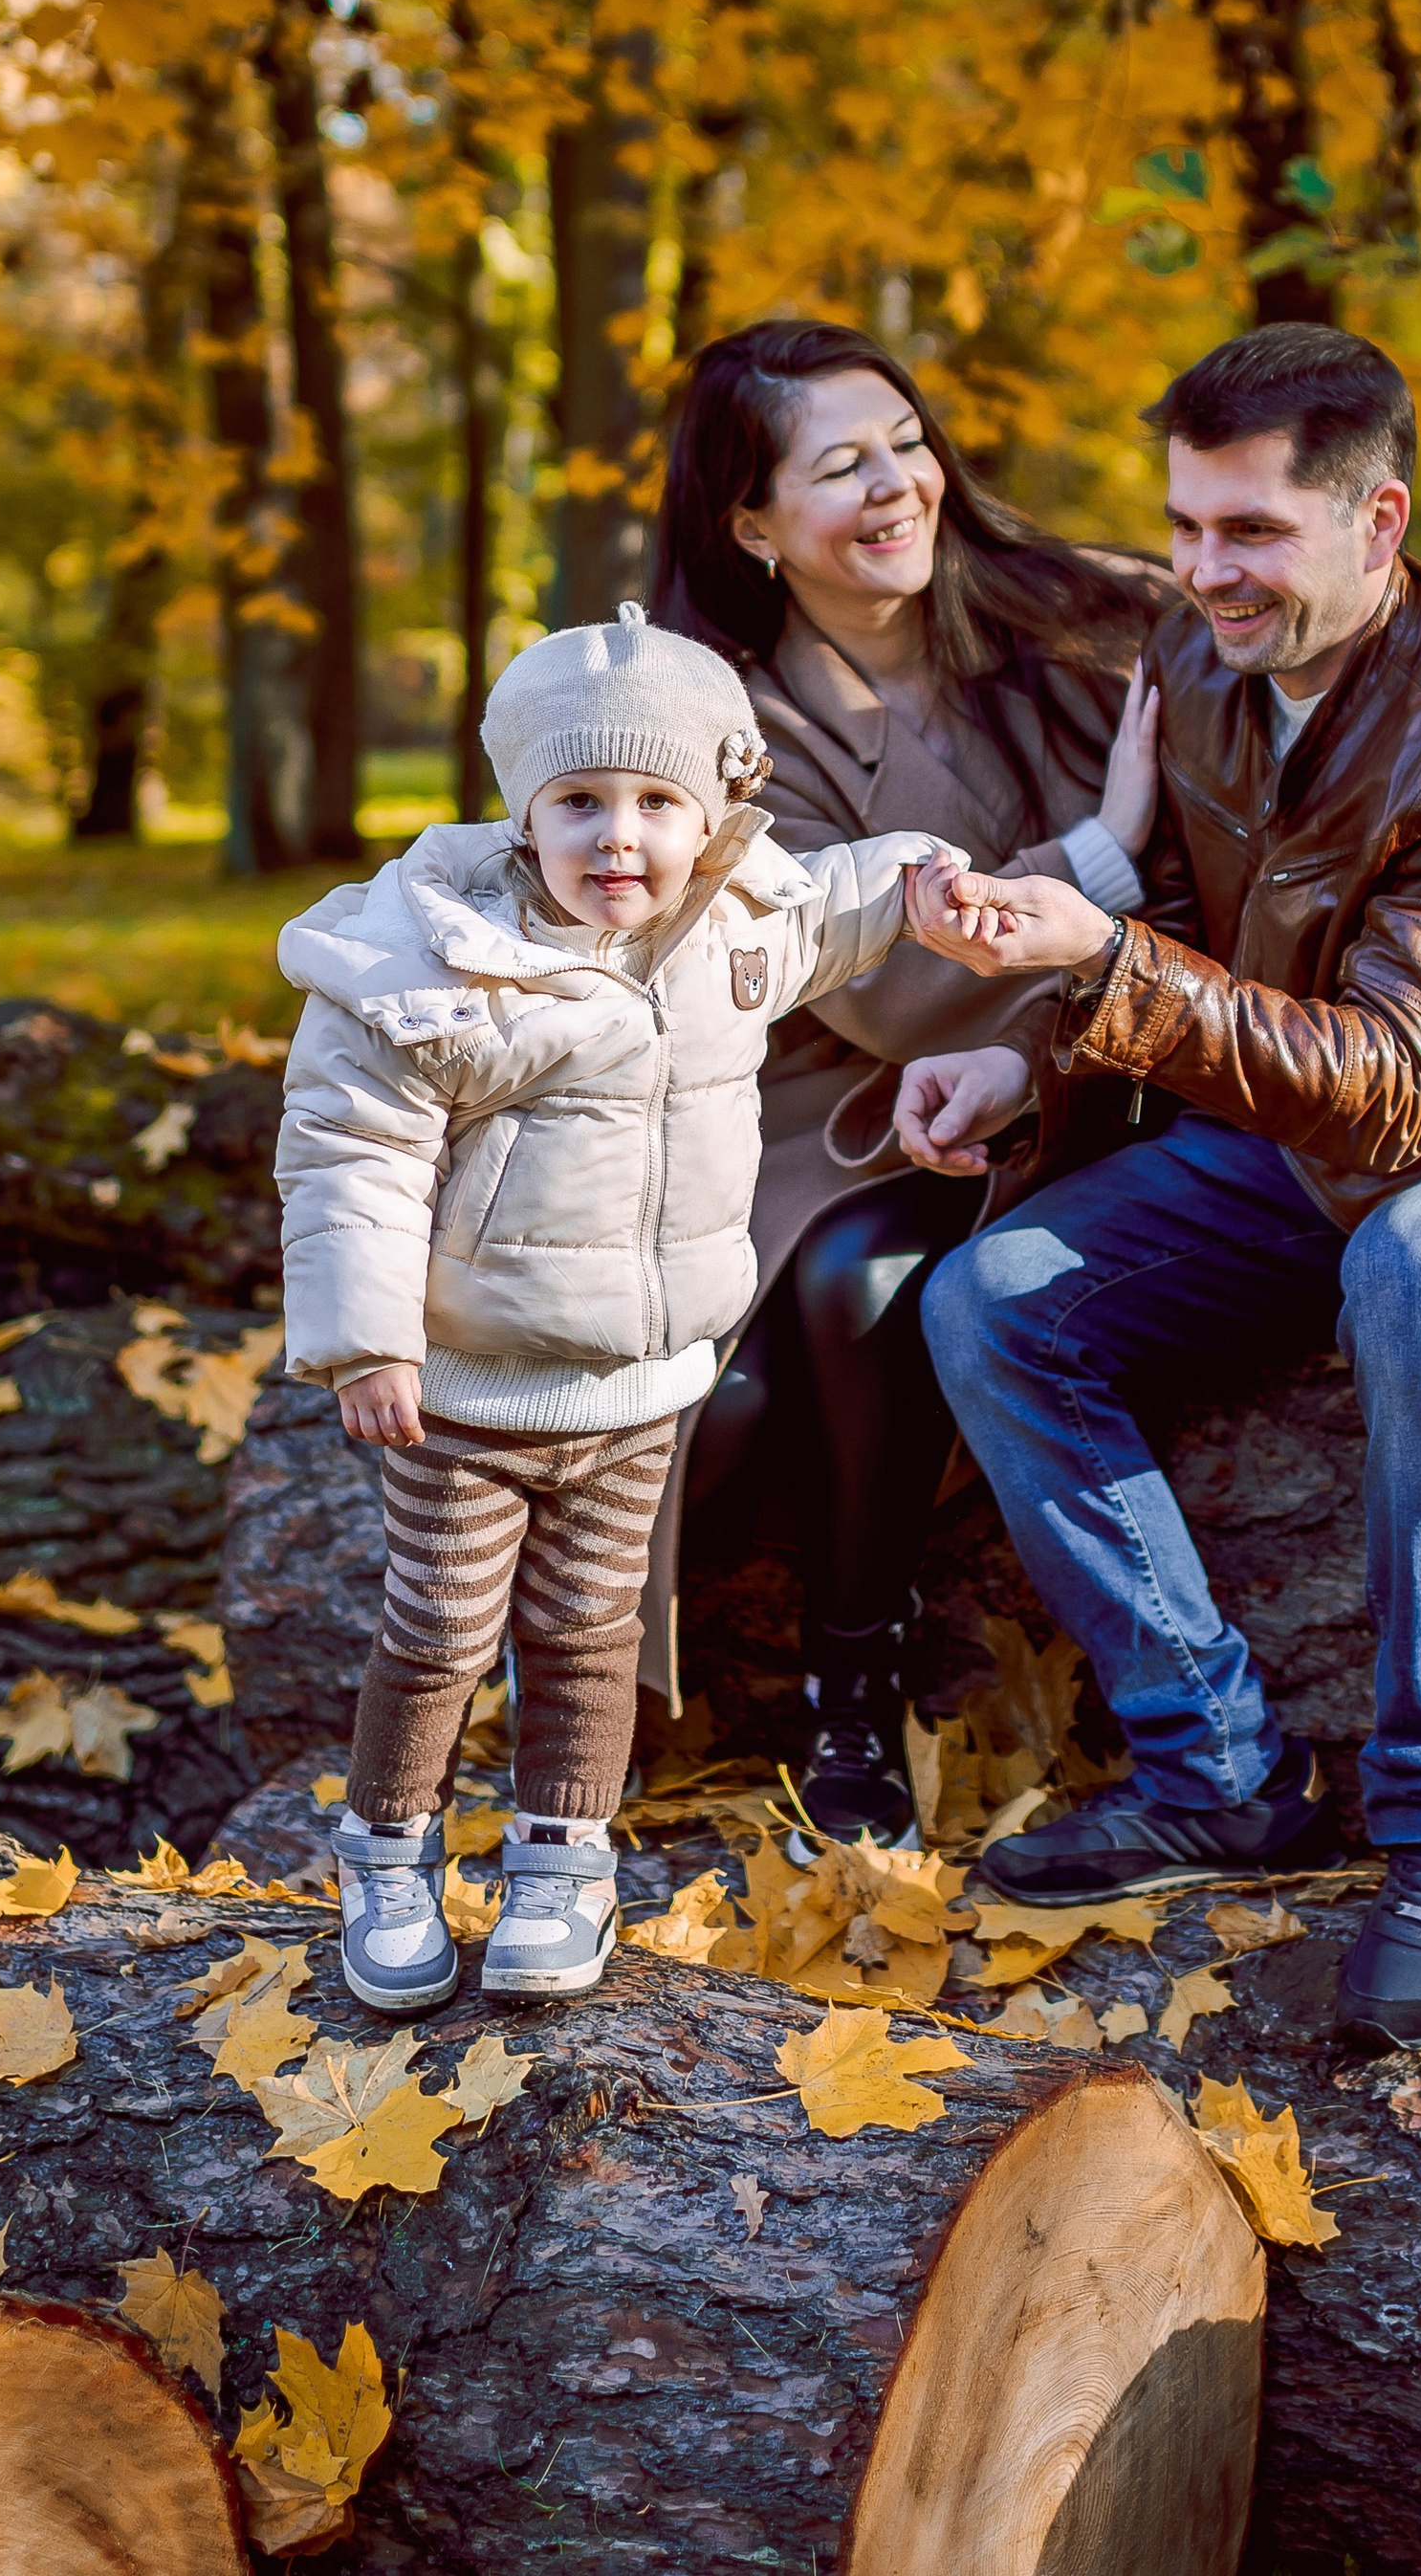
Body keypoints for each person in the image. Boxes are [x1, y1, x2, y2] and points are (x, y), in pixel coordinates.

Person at [894, 322, 1421, 2056]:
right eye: (1186, 526)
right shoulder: (1203, 661)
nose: (1204, 570)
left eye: (1250, 530)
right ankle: (1217, 1772)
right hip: (1296, 1147)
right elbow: (1192, 927)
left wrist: (1103, 961)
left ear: (1377, 521)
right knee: (990, 1299)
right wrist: (1030, 1063)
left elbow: (1396, 1081)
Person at [273, 601, 952, 2015]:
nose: (619, 839)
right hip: (467, 1392)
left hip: (639, 1393)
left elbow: (842, 901)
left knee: (590, 1636)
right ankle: (387, 1854)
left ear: (713, 815)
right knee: (440, 1634)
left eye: (657, 803)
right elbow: (352, 1156)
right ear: (525, 811)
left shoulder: (732, 930)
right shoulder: (439, 962)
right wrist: (368, 1342)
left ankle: (560, 1859)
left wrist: (939, 885)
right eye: (579, 801)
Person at [647, 320, 1167, 1841]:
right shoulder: (735, 724)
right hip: (838, 1109)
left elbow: (1301, 593)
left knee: (859, 1283)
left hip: (1078, 1065)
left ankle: (852, 1688)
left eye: (906, 442)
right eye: (840, 467)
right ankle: (539, 1684)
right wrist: (1104, 852)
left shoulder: (1064, 610)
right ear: (753, 524)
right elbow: (877, 983)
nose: (896, 486)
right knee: (724, 1415)